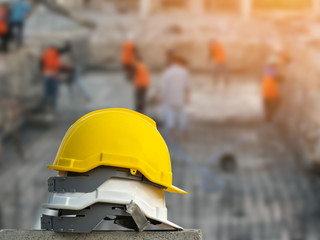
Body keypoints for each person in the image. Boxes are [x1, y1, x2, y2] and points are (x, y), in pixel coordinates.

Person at [161, 55, 190, 141]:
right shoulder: (184, 72)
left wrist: (162, 97)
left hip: (169, 98)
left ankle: (172, 136)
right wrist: (187, 97)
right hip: (180, 97)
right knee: (182, 116)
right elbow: (187, 86)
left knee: (170, 116)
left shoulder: (168, 72)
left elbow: (164, 86)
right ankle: (184, 135)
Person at [40, 43, 70, 111]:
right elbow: (63, 50)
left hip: (46, 74)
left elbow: (41, 63)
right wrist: (68, 46)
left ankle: (46, 104)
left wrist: (43, 71)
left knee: (47, 90)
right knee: (53, 90)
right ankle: (52, 105)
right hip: (54, 75)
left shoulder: (45, 53)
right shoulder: (55, 52)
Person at [262, 56, 280, 122]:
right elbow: (277, 78)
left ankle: (268, 117)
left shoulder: (266, 69)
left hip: (265, 90)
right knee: (276, 102)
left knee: (267, 105)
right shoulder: (273, 69)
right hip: (271, 91)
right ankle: (270, 117)